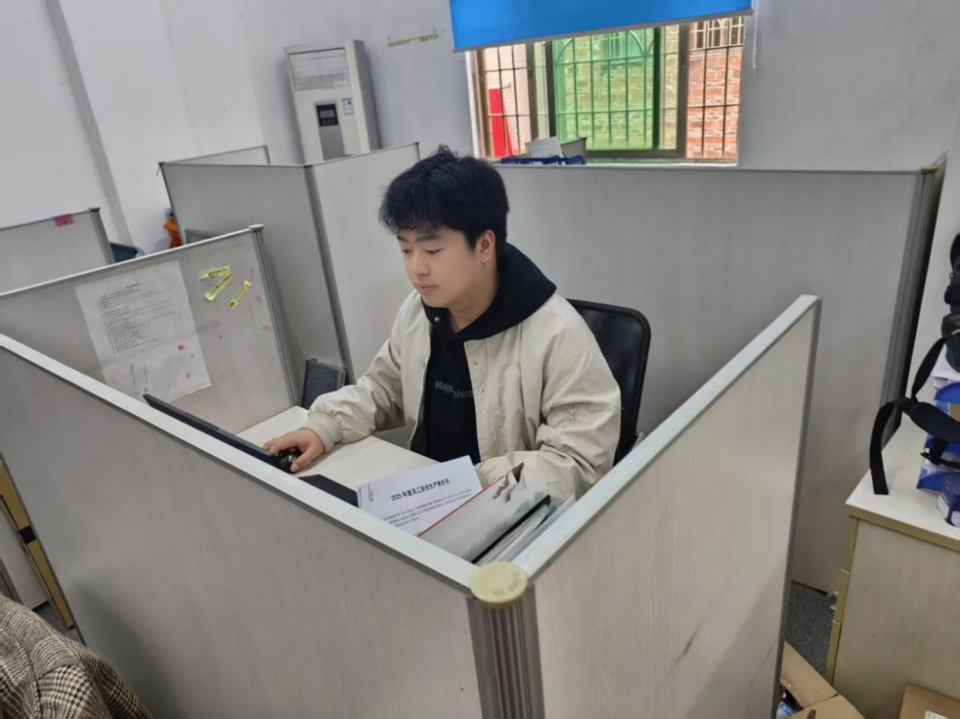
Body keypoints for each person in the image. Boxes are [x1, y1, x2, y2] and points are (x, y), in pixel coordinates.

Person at [265, 146, 621, 499]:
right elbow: (383, 388)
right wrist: (324, 426)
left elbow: (579, 465)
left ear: (484, 246)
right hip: (427, 501)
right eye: (406, 250)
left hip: (504, 512)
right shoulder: (418, 311)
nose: (416, 268)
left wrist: (473, 483)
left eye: (432, 250)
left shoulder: (558, 335)